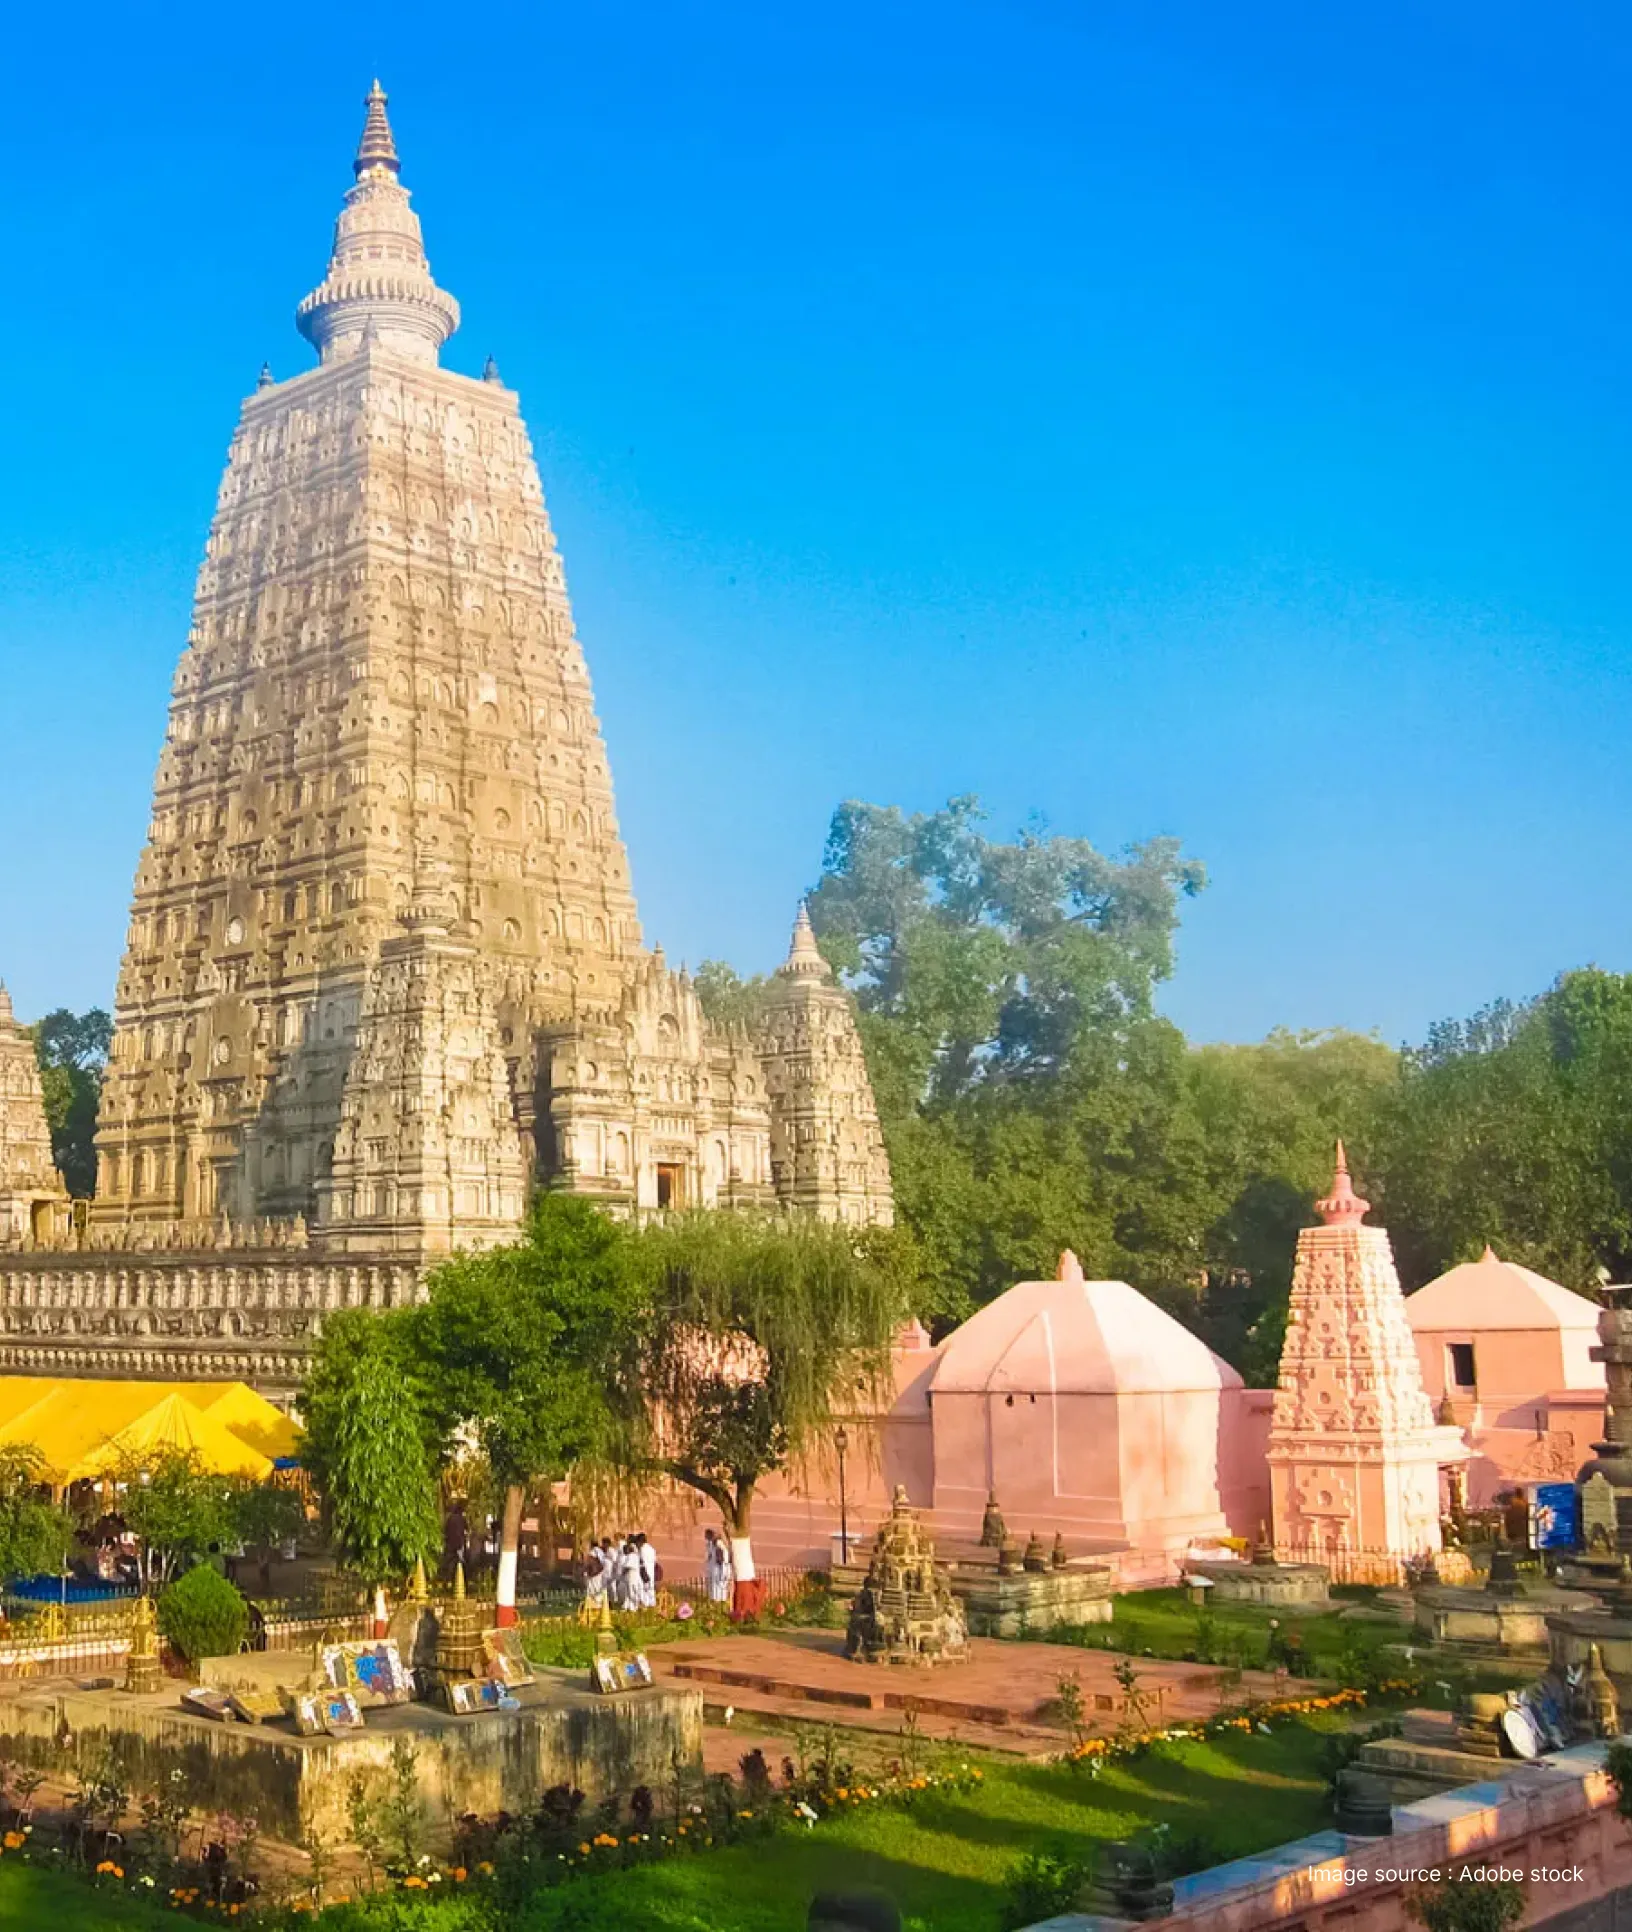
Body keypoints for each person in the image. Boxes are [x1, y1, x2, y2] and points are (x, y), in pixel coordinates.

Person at [704, 1527, 733, 1605]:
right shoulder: (713, 1545)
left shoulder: (719, 1547)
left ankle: (718, 1602)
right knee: (716, 1588)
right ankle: (717, 1601)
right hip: (716, 1569)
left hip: (719, 1570)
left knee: (718, 1588)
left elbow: (721, 1560)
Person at [635, 1532, 658, 1610]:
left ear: (640, 1541)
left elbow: (640, 1561)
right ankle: (652, 1604)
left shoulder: (641, 1549)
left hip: (643, 1571)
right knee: (650, 1588)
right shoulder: (652, 1549)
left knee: (643, 1588)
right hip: (651, 1571)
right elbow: (655, 1561)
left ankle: (645, 1605)